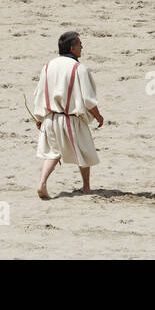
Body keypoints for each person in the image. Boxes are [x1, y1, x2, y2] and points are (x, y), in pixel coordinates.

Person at [31, 31, 103, 199]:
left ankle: (42, 183)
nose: (82, 47)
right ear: (72, 48)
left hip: (50, 118)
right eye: (79, 44)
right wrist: (98, 116)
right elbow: (88, 99)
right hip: (71, 119)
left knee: (53, 153)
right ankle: (86, 187)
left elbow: (39, 93)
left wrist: (39, 117)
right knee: (84, 151)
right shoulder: (79, 68)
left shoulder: (47, 66)